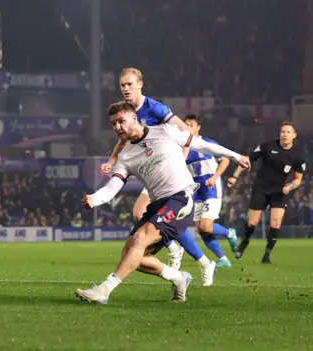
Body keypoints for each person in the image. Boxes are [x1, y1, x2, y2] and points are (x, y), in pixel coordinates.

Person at [74, 101, 249, 304]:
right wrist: (94, 199)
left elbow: (201, 144)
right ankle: (179, 278)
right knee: (131, 255)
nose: (117, 127)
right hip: (157, 205)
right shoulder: (125, 156)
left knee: (140, 239)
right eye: (113, 124)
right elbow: (113, 187)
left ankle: (104, 290)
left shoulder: (165, 131)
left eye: (121, 121)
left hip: (180, 198)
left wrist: (235, 156)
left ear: (134, 118)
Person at [101, 68, 217, 285]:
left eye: (129, 84)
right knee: (140, 214)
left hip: (166, 171)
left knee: (144, 215)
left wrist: (180, 160)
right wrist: (112, 160)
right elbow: (125, 138)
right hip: (150, 169)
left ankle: (191, 257)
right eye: (122, 85)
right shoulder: (125, 112)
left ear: (140, 84)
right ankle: (189, 256)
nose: (126, 88)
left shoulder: (154, 108)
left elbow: (185, 133)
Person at [227, 122, 305, 264]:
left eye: (288, 132)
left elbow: (298, 179)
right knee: (253, 222)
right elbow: (247, 159)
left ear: (294, 135)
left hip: (280, 191)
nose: (284, 135)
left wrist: (291, 186)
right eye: (282, 132)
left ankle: (267, 254)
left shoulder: (297, 156)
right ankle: (245, 242)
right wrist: (234, 176)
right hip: (261, 188)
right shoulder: (267, 146)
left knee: (276, 223)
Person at [183, 114, 238, 267]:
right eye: (185, 125)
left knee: (206, 226)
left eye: (191, 125)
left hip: (211, 189)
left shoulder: (207, 143)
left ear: (198, 127)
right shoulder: (184, 148)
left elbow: (225, 159)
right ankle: (223, 259)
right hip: (196, 192)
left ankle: (228, 232)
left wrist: (214, 178)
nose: (188, 128)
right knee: (201, 230)